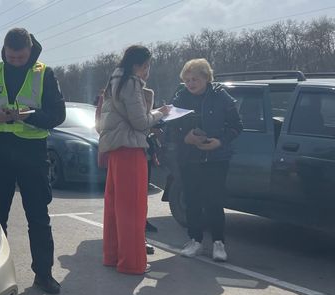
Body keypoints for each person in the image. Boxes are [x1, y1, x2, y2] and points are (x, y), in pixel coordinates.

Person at [0, 28, 66, 294]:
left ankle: (43, 274)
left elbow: (58, 114)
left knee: (38, 215)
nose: (15, 61)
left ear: (30, 50)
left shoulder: (44, 73)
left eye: (20, 57)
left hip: (32, 151)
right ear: (4, 50)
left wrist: (29, 116)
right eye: (10, 57)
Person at [98, 45, 170, 275]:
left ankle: (113, 255)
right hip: (131, 149)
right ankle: (131, 262)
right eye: (147, 66)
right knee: (133, 208)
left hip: (116, 150)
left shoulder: (114, 81)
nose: (147, 71)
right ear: (138, 65)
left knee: (114, 207)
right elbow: (140, 122)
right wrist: (161, 112)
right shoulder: (131, 83)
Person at [169, 58, 242, 262]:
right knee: (192, 200)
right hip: (189, 158)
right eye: (187, 80)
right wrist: (186, 138)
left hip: (217, 158)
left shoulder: (221, 96)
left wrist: (219, 141)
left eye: (195, 79)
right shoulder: (180, 98)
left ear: (206, 78)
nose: (191, 83)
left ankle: (218, 243)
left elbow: (237, 126)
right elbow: (170, 129)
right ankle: (195, 240)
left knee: (214, 201)